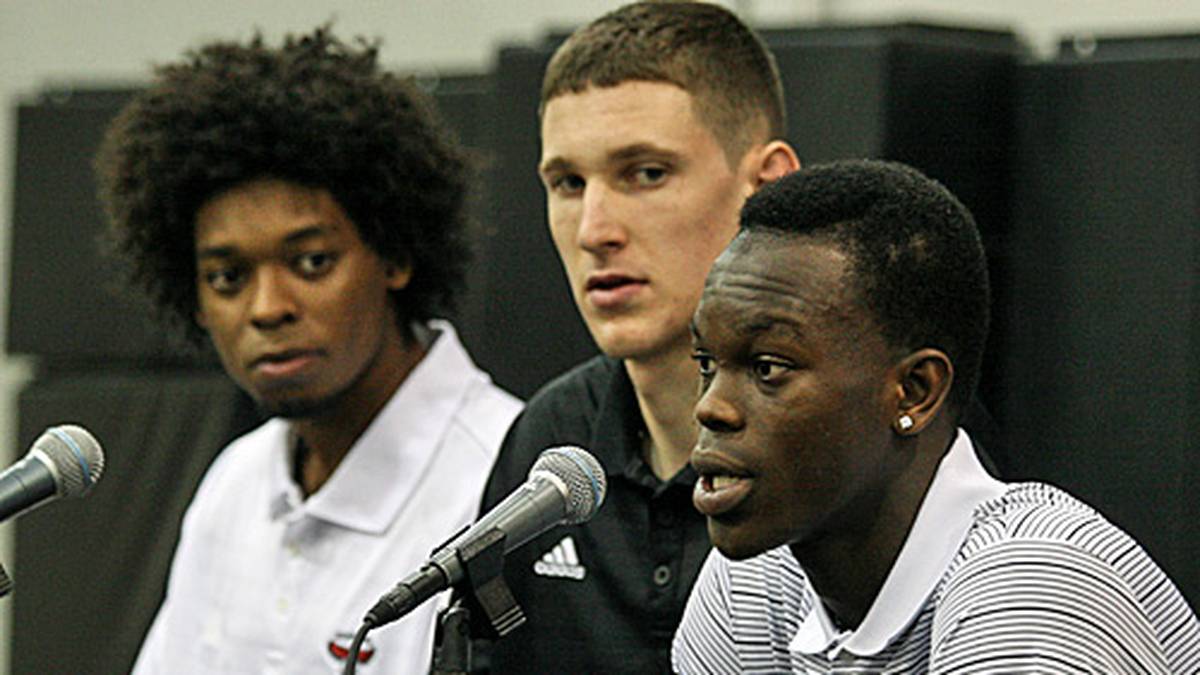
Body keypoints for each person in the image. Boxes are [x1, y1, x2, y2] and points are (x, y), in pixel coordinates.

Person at [95, 26, 522, 673]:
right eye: (227, 277)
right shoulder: (234, 485)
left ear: (396, 251)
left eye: (312, 260)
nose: (268, 306)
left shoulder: (506, 481)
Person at [672, 159, 1200, 673]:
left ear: (914, 393)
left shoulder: (1031, 585)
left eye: (769, 368)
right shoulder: (757, 584)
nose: (710, 406)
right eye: (705, 363)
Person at [478, 2, 800, 672]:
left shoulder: (854, 441)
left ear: (767, 188)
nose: (595, 229)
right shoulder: (552, 436)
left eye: (646, 173)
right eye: (567, 182)